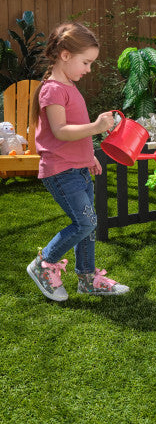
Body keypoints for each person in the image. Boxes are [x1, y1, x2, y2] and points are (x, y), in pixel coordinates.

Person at [27, 22, 130, 301]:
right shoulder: (52, 90)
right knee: (85, 223)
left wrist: (88, 156)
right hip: (61, 172)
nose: (89, 69)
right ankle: (44, 264)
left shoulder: (69, 86)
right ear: (65, 55)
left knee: (88, 224)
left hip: (78, 169)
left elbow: (74, 131)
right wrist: (96, 127)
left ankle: (87, 279)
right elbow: (60, 131)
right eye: (86, 62)